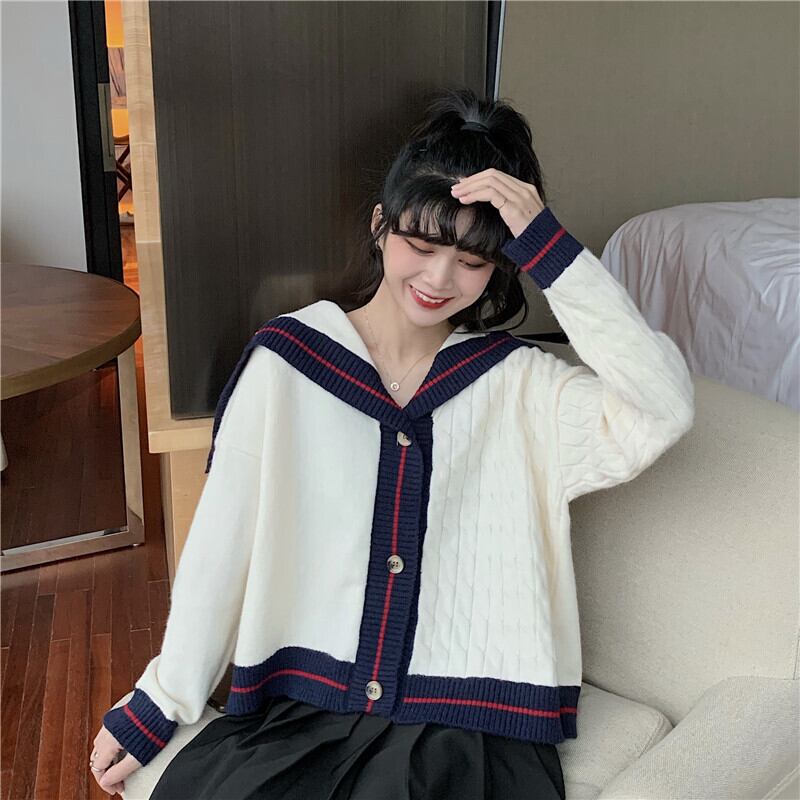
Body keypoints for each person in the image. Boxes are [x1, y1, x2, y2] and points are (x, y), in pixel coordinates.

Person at [89, 87, 695, 799]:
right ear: (380, 225)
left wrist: (550, 246)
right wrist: (161, 699)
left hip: (471, 728)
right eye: (422, 245)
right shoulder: (289, 363)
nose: (439, 279)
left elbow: (663, 407)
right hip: (309, 710)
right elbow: (222, 545)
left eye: (473, 261)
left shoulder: (523, 387)